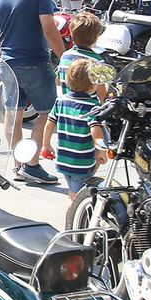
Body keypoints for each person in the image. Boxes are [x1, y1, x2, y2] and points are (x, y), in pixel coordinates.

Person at [0, 0, 63, 185]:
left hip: (8, 63)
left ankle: (18, 164)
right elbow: (49, 28)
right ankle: (32, 164)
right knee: (46, 113)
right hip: (35, 61)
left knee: (13, 114)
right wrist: (65, 56)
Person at [52, 57, 108, 199]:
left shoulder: (61, 101)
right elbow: (96, 131)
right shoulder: (92, 107)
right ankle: (73, 212)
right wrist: (101, 151)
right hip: (81, 162)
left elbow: (49, 123)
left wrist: (46, 144)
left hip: (63, 159)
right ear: (92, 85)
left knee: (74, 189)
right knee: (75, 197)